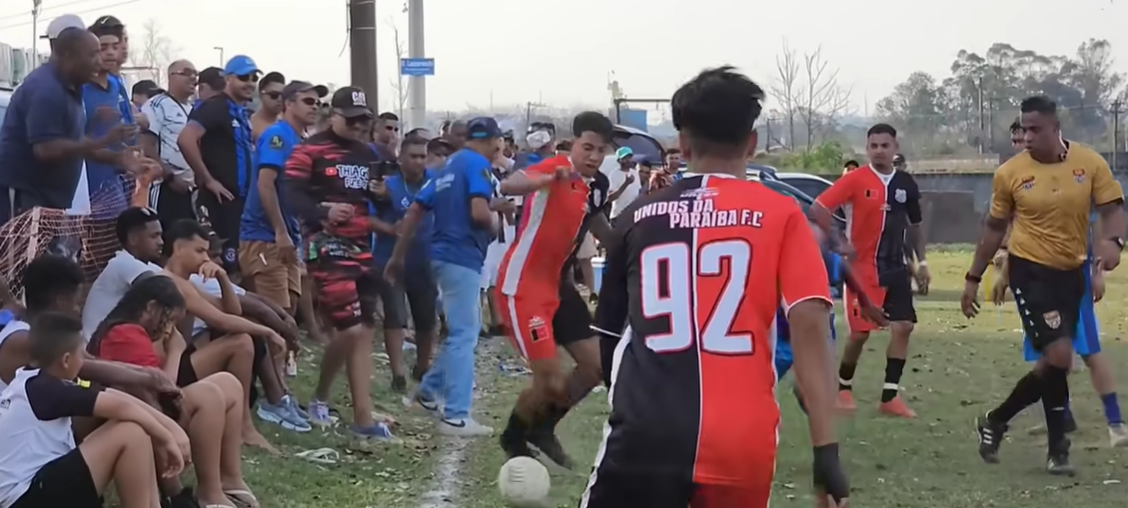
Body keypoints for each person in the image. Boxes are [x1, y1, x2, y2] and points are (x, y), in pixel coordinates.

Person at [582, 66, 847, 508]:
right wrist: (826, 453)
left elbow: (609, 335)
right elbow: (811, 332)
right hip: (742, 438)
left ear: (682, 144)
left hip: (647, 430)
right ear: (751, 143)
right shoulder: (782, 216)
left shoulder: (638, 217)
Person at [963, 95, 1128, 474]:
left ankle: (1009, 427)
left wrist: (1113, 244)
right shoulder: (1010, 173)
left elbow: (1112, 210)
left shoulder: (1089, 164)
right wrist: (974, 276)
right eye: (1023, 128)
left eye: (1036, 129)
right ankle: (1051, 444)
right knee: (1059, 356)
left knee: (1057, 362)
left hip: (1072, 273)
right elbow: (993, 229)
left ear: (1056, 128)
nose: (1027, 136)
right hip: (1029, 271)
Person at [492, 111, 616, 469]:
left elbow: (598, 226)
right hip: (524, 287)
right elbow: (510, 185)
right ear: (572, 143)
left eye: (601, 150)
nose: (593, 156)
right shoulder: (554, 168)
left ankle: (543, 428)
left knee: (596, 367)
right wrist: (543, 180)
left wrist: (632, 244)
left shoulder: (599, 184)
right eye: (587, 148)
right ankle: (514, 438)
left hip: (559, 288)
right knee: (550, 378)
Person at [385, 116, 513, 437]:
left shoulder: (447, 166)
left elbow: (415, 209)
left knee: (460, 331)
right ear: (494, 141)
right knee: (464, 334)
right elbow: (480, 213)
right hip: (461, 256)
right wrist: (497, 220)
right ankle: (456, 415)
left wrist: (397, 256)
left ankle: (428, 393)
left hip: (440, 256)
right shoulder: (477, 166)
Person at [88, 275, 258, 508]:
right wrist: (176, 351)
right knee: (209, 396)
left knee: (228, 383)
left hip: (152, 407)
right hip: (140, 415)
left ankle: (230, 479)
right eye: (169, 321)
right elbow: (161, 391)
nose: (169, 330)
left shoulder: (135, 331)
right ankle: (210, 492)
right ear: (151, 308)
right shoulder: (125, 333)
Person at [284, 86, 392, 440]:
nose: (359, 126)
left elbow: (375, 193)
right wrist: (323, 211)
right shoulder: (309, 150)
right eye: (352, 120)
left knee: (363, 330)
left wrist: (380, 194)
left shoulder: (366, 152)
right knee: (347, 327)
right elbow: (291, 193)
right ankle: (320, 397)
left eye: (364, 120)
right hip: (324, 244)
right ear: (333, 115)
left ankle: (362, 415)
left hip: (361, 245)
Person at [0, 311, 190, 508]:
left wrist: (169, 426)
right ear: (66, 360)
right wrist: (166, 437)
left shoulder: (34, 381)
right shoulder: (45, 390)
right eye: (81, 354)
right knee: (130, 432)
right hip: (25, 499)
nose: (83, 361)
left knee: (134, 428)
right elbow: (121, 407)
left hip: (33, 492)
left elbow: (114, 396)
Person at [810, 123, 930, 418]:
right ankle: (843, 389)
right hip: (862, 269)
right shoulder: (855, 180)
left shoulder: (905, 184)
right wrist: (838, 241)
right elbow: (819, 208)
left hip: (896, 267)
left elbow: (914, 226)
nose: (879, 151)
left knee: (903, 327)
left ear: (895, 148)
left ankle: (890, 397)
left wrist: (921, 263)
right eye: (873, 146)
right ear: (867, 149)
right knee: (861, 334)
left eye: (884, 145)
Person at [160, 219, 287, 452]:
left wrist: (222, 278)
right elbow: (220, 319)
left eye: (207, 252)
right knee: (241, 342)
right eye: (199, 251)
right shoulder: (170, 282)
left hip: (181, 358)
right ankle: (243, 427)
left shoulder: (187, 283)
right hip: (168, 369)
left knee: (241, 339)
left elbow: (230, 309)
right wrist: (269, 332)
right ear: (178, 249)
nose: (206, 259)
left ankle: (242, 424)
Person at [0, 27, 145, 219]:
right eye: (93, 55)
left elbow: (75, 143)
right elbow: (46, 150)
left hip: (48, 200)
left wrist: (119, 159)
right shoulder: (47, 90)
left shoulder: (71, 85)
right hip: (25, 196)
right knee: (23, 250)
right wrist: (103, 140)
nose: (99, 61)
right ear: (69, 56)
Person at [239, 81, 326, 312]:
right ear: (288, 103)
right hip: (265, 235)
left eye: (318, 102)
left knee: (290, 310)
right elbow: (265, 183)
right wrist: (280, 231)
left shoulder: (300, 141)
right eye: (308, 101)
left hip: (288, 235)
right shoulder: (278, 136)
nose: (315, 107)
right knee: (276, 316)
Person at [370, 136, 439, 391]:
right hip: (390, 260)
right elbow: (369, 218)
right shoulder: (387, 185)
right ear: (400, 159)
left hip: (425, 259)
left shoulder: (435, 181)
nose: (419, 161)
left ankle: (422, 366)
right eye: (413, 156)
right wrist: (390, 228)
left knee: (426, 318)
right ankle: (397, 373)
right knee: (395, 316)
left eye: (423, 156)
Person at [179, 55, 259, 274]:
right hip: (219, 201)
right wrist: (209, 180)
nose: (250, 82)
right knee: (222, 266)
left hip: (239, 202)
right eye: (244, 77)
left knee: (241, 266)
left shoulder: (240, 111)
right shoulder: (215, 107)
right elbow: (186, 139)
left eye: (254, 77)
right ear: (229, 79)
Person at [82, 207, 166, 340]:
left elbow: (182, 287)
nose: (161, 242)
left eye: (160, 235)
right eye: (154, 236)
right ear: (133, 239)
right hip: (98, 349)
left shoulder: (148, 267)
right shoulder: (121, 263)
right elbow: (164, 287)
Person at [82, 26, 135, 222]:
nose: (111, 52)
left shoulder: (116, 85)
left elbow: (118, 129)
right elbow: (75, 142)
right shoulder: (79, 88)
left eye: (115, 46)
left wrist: (130, 152)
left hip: (115, 180)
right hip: (88, 182)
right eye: (103, 47)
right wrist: (119, 159)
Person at [141, 60, 199, 229]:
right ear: (171, 77)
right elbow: (146, 145)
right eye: (186, 73)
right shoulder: (156, 105)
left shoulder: (193, 109)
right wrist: (170, 177)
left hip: (190, 190)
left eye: (195, 74)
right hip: (166, 186)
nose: (193, 78)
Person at [603, 145, 642, 223]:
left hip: (633, 216)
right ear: (619, 160)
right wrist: (626, 184)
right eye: (625, 158)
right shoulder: (614, 175)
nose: (628, 160)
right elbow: (610, 198)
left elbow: (638, 192)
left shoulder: (634, 173)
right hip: (618, 216)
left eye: (629, 157)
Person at [251, 72, 286, 141]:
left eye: (283, 95)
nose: (279, 99)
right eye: (274, 95)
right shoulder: (250, 125)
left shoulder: (288, 124)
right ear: (261, 95)